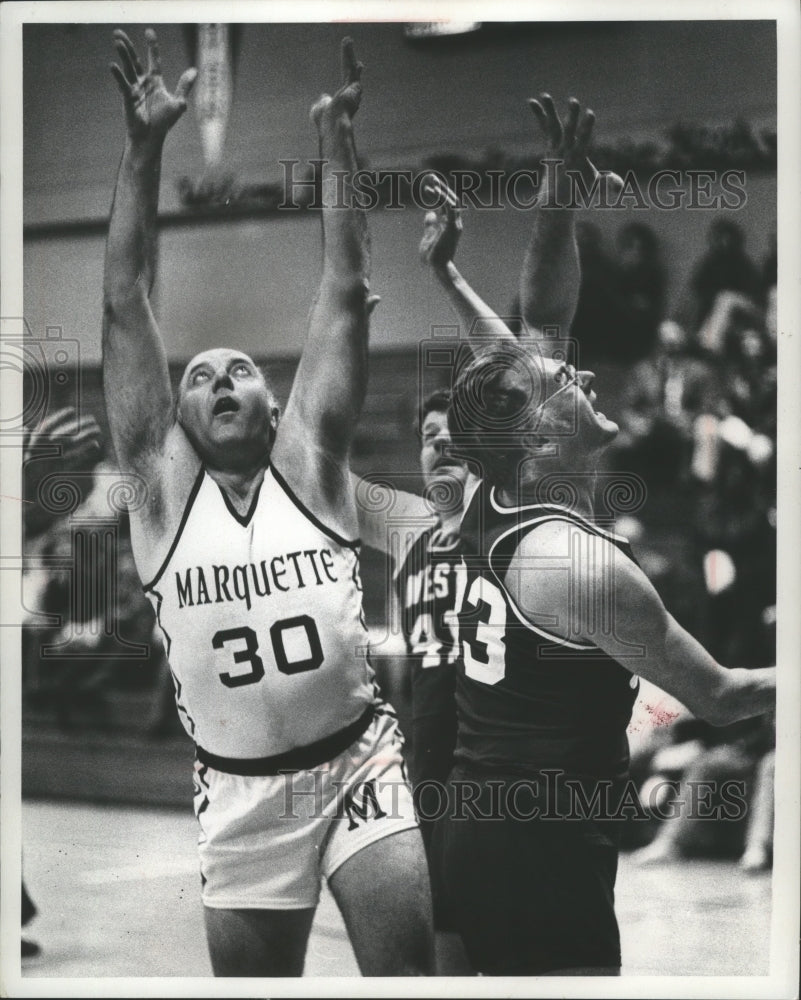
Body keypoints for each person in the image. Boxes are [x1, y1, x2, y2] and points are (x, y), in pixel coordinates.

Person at [102, 29, 432, 976]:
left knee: (409, 978)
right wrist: (142, 147)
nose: (216, 380)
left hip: (359, 762)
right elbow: (125, 302)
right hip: (240, 794)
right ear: (179, 417)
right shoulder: (159, 496)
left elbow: (343, 287)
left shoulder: (312, 464)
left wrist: (335, 145)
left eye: (239, 370)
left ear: (273, 404)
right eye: (198, 375)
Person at [431, 338, 776, 975]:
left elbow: (499, 385)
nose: (586, 373)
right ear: (533, 435)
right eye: (566, 378)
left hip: (482, 818)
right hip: (541, 844)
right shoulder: (584, 568)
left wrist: (461, 275)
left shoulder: (490, 496)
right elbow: (720, 697)